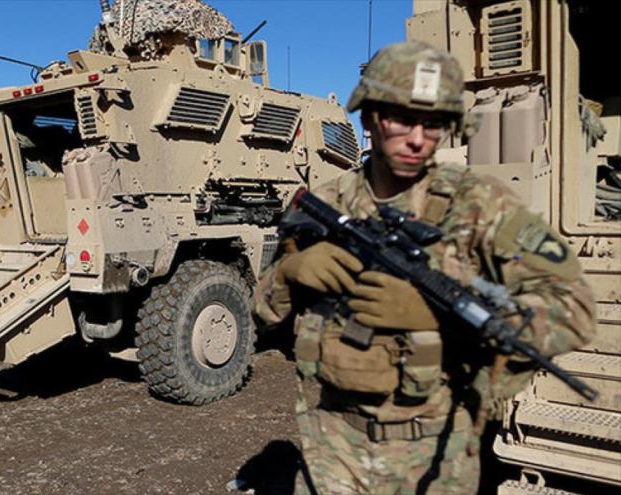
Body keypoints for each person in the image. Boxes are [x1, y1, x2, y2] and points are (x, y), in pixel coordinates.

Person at [254, 40, 596, 494]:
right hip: (329, 449)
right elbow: (263, 313)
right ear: (370, 117)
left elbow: (574, 309)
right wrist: (288, 274)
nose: (417, 138)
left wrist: (431, 315)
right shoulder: (327, 203)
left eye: (433, 124)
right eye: (401, 117)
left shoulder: (479, 205)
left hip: (435, 459)